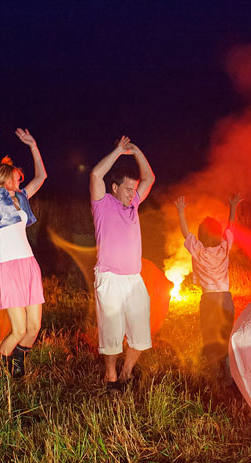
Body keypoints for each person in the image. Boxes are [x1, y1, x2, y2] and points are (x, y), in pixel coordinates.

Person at [0, 122, 47, 378]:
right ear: (6, 178)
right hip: (8, 267)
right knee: (18, 330)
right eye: (17, 177)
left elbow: (42, 176)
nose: (21, 180)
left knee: (33, 328)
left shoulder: (22, 198)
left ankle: (18, 363)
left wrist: (33, 146)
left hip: (29, 265)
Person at [89, 135, 155, 393]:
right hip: (109, 277)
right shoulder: (102, 204)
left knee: (141, 333)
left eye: (133, 189)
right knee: (112, 334)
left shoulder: (133, 204)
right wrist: (118, 151)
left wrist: (136, 151)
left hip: (134, 280)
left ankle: (126, 373)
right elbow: (96, 175)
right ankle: (111, 377)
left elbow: (149, 178)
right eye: (128, 189)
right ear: (114, 188)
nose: (132, 194)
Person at [174, 193, 243, 380]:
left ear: (201, 235)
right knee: (226, 335)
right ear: (218, 234)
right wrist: (233, 207)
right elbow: (230, 228)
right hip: (225, 299)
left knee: (210, 337)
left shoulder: (198, 250)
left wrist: (181, 212)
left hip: (209, 300)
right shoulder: (224, 248)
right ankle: (228, 373)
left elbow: (185, 233)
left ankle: (214, 373)